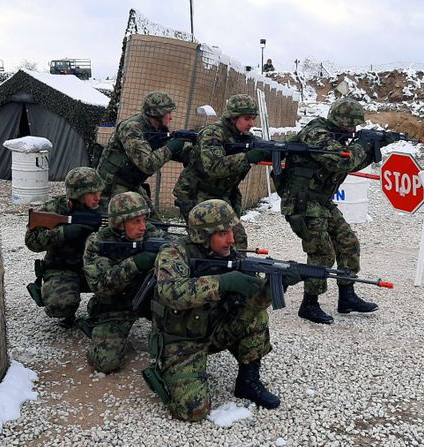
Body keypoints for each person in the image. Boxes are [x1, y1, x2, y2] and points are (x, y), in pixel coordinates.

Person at [145, 199, 287, 421]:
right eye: (222, 233)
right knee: (193, 411)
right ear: (203, 235)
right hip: (181, 341)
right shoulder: (174, 252)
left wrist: (277, 285)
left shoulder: (230, 255)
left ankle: (248, 382)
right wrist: (223, 283)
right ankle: (170, 372)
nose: (231, 239)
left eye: (231, 230)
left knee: (255, 315)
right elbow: (170, 292)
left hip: (214, 331)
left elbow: (253, 303)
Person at [277, 97, 386, 324]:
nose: (354, 130)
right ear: (339, 120)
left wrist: (374, 146)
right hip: (301, 202)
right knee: (322, 253)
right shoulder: (316, 134)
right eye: (351, 125)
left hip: (320, 201)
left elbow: (351, 163)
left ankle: (347, 296)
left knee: (348, 243)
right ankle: (309, 304)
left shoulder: (335, 137)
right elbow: (341, 162)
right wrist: (363, 143)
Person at [80, 191, 166, 373]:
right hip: (115, 306)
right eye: (136, 222)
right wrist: (135, 263)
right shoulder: (98, 242)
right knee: (104, 363)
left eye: (144, 220)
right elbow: (100, 285)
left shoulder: (153, 234)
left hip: (148, 301)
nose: (143, 227)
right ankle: (98, 325)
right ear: (119, 223)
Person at [173, 94, 269, 250]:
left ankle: (235, 271)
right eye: (247, 118)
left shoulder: (243, 137)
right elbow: (214, 167)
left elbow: (262, 148)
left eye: (253, 118)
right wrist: (247, 158)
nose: (251, 123)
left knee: (236, 239)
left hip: (221, 195)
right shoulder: (213, 133)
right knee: (211, 243)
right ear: (233, 117)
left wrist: (280, 151)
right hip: (197, 194)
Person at [25, 167, 105, 327]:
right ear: (77, 194)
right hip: (63, 269)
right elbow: (31, 241)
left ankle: (102, 307)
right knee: (60, 305)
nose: (98, 197)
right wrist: (62, 233)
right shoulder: (54, 209)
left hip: (96, 268)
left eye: (99, 191)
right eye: (91, 193)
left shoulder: (105, 208)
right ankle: (62, 304)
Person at [96, 91, 188, 216]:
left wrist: (189, 149)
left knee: (156, 224)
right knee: (135, 225)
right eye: (168, 113)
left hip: (132, 184)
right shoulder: (132, 128)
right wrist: (171, 148)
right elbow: (148, 164)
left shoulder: (156, 129)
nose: (171, 117)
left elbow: (171, 150)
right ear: (157, 114)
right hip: (114, 186)